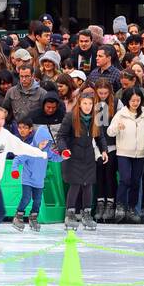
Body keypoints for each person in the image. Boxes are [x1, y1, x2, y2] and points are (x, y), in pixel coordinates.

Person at [0, 104, 47, 257]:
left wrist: (39, 153)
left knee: (1, 211)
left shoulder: (5, 135)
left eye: (2, 119)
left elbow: (21, 147)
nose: (0, 122)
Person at [56, 88, 108, 231]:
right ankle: (70, 213)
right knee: (75, 185)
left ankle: (86, 214)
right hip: (73, 156)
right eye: (85, 103)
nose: (87, 106)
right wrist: (64, 150)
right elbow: (61, 136)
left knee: (88, 185)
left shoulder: (95, 118)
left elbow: (99, 136)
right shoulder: (70, 117)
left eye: (90, 104)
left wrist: (104, 150)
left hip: (88, 156)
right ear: (79, 104)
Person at [108, 87, 144, 222]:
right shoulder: (121, 114)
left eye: (138, 100)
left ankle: (132, 208)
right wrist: (118, 127)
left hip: (141, 153)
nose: (135, 103)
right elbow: (110, 131)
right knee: (125, 179)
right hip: (123, 152)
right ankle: (120, 206)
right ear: (127, 101)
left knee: (135, 181)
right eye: (132, 100)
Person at [10, 116, 51, 231]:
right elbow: (17, 159)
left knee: (37, 200)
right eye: (42, 142)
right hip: (28, 179)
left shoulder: (46, 151)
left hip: (39, 180)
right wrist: (14, 170)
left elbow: (55, 156)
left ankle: (33, 218)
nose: (44, 144)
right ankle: (18, 216)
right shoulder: (29, 149)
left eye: (46, 142)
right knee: (26, 198)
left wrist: (63, 156)